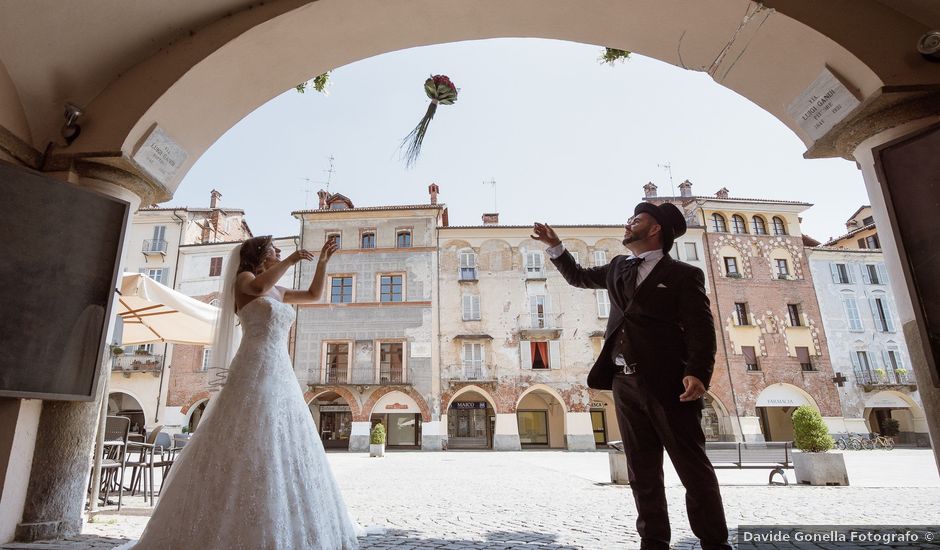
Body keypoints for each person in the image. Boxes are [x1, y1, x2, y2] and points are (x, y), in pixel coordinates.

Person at [122, 235, 360, 549]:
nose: (278, 251)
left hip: (280, 370)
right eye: (273, 249)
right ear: (260, 255)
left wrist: (323, 264)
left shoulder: (279, 290)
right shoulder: (244, 280)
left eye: (279, 250)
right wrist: (290, 261)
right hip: (253, 363)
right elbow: (259, 289)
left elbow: (314, 295)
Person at [532, 202, 731, 550]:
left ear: (655, 230)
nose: (628, 224)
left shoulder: (683, 275)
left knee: (692, 469)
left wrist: (698, 372)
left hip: (670, 384)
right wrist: (555, 246)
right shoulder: (617, 267)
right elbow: (578, 276)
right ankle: (653, 542)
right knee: (642, 472)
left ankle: (714, 542)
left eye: (636, 220)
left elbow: (702, 328)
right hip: (624, 382)